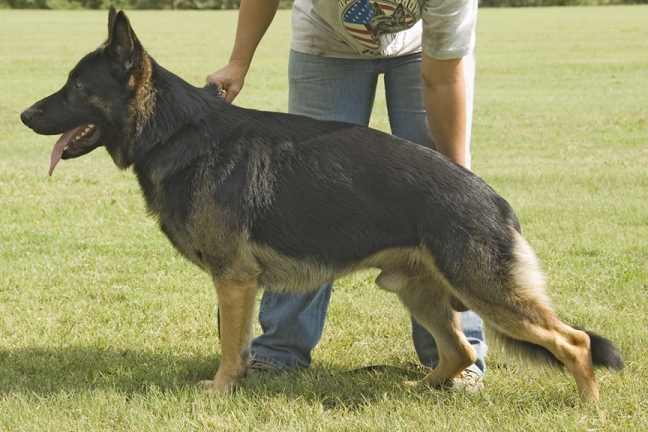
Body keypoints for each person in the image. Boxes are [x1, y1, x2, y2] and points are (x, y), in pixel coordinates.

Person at [206, 0, 486, 390]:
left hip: (422, 47)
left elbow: (442, 79)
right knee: (306, 196)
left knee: (438, 202)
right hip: (325, 45)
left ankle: (457, 355)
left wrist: (457, 188)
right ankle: (278, 349)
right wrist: (238, 62)